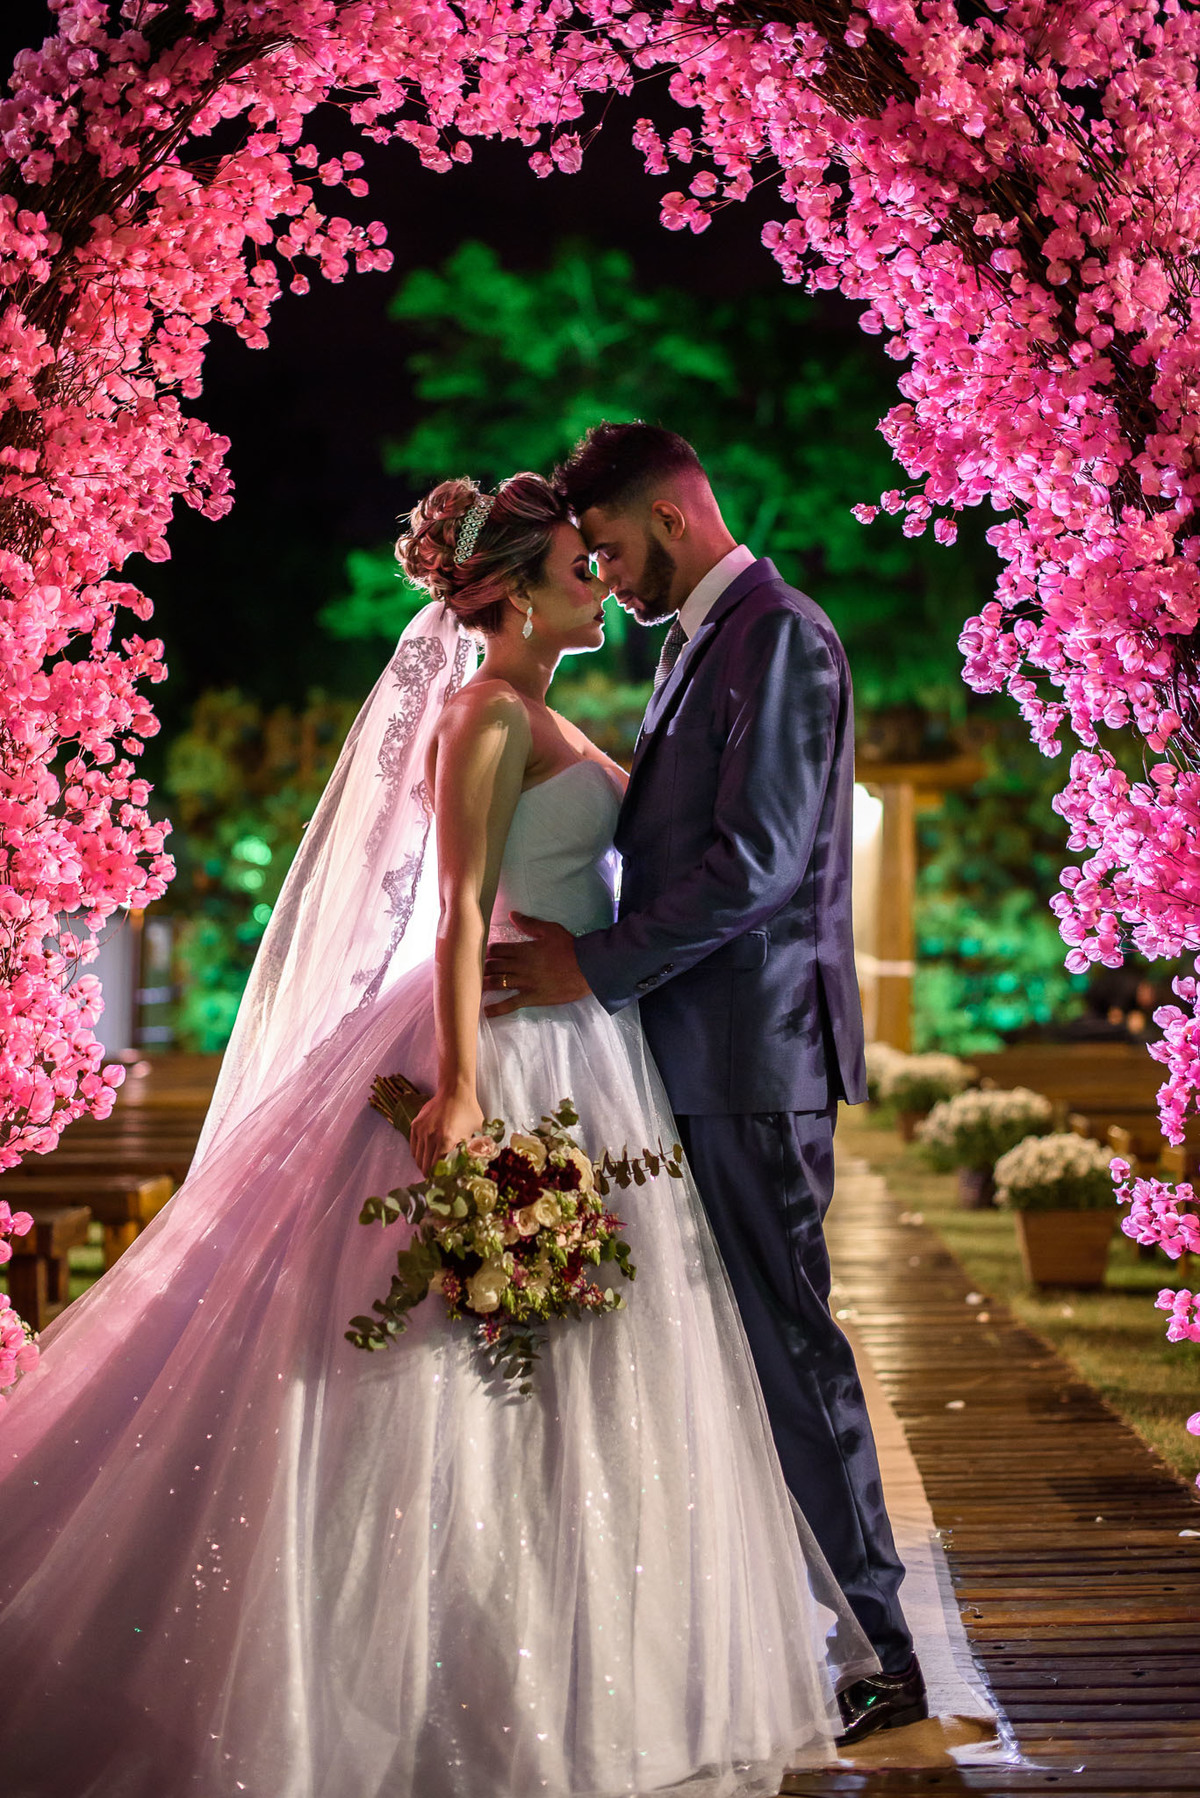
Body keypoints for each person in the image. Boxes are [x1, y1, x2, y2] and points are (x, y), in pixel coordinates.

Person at [0, 473, 877, 1798]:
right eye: (584, 563)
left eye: (604, 554)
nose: (605, 579)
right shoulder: (480, 714)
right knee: (466, 1356)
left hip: (588, 1044)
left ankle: (591, 1661)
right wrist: (459, 1086)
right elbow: (459, 910)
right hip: (513, 1042)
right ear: (518, 589)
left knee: (582, 1357)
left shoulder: (543, 708)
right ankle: (458, 1673)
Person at [485, 424, 925, 1741]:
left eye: (611, 548)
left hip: (750, 1059)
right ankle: (788, 1632)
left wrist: (594, 967)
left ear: (667, 519)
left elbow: (757, 865)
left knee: (791, 1347)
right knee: (731, 1354)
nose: (606, 578)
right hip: (692, 1057)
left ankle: (885, 1648)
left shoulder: (776, 634)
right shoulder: (697, 647)